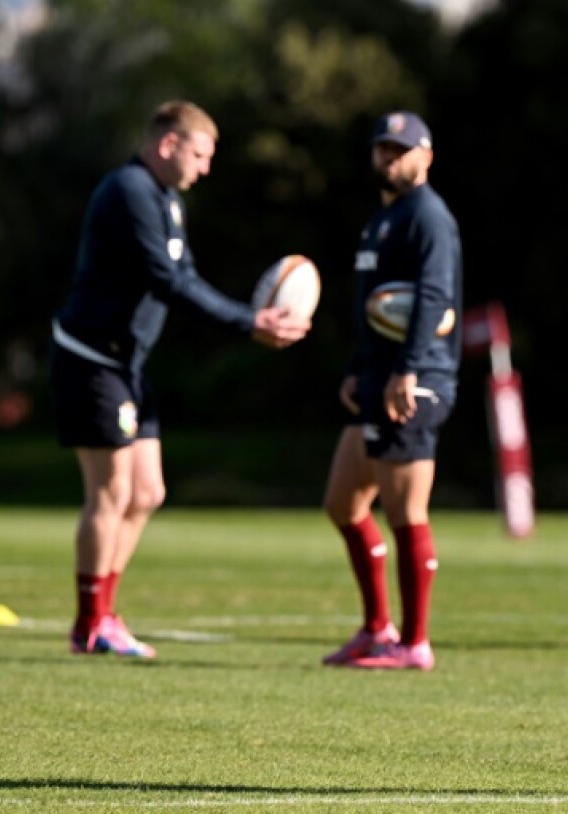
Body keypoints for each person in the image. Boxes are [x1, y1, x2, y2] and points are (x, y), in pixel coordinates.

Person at [50, 100, 310, 659]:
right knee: (111, 492)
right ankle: (90, 625)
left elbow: (184, 272)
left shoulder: (167, 199)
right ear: (168, 144)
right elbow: (166, 280)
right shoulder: (129, 191)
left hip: (128, 366)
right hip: (92, 359)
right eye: (200, 154)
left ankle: (105, 616)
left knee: (148, 491)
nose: (206, 168)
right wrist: (250, 321)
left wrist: (248, 318)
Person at [319, 110, 462, 672]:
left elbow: (432, 298)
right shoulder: (383, 219)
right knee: (342, 503)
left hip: (413, 380)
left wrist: (408, 371)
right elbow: (373, 310)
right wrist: (360, 367)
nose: (390, 158)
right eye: (383, 148)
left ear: (425, 155)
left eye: (401, 150)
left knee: (407, 513)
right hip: (378, 378)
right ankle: (378, 627)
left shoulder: (426, 216)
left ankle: (415, 642)